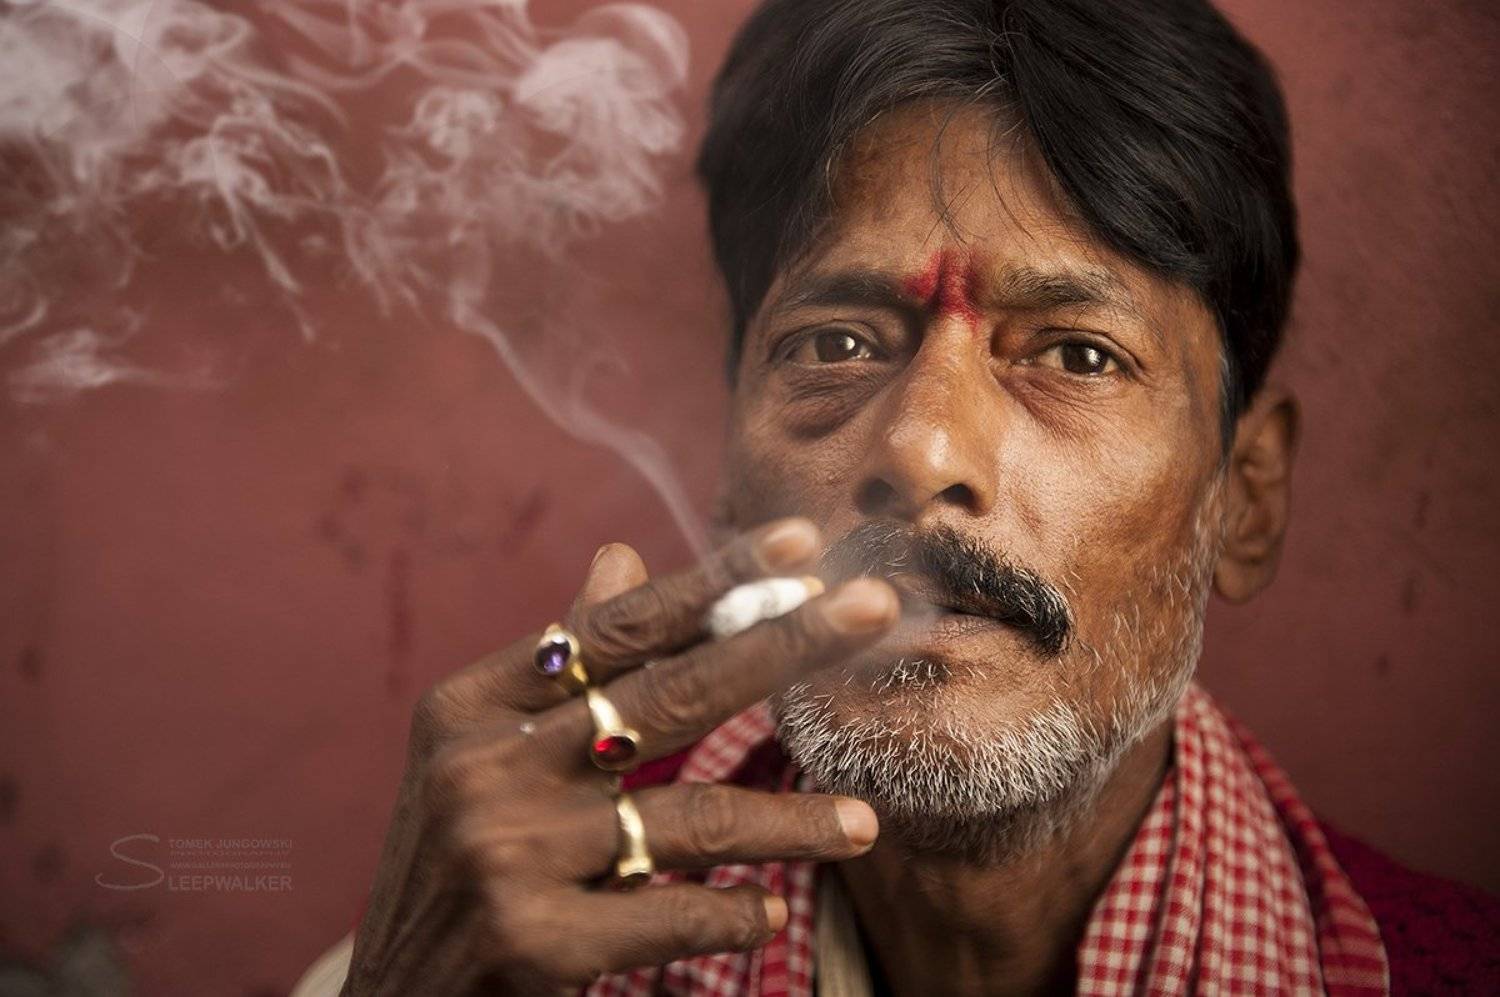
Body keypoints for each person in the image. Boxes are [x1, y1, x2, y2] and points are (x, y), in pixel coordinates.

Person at [308, 0, 1500, 993]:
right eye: (833, 343)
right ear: (728, 476)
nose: (923, 447)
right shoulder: (505, 963)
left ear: (1244, 496)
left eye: (1076, 354)